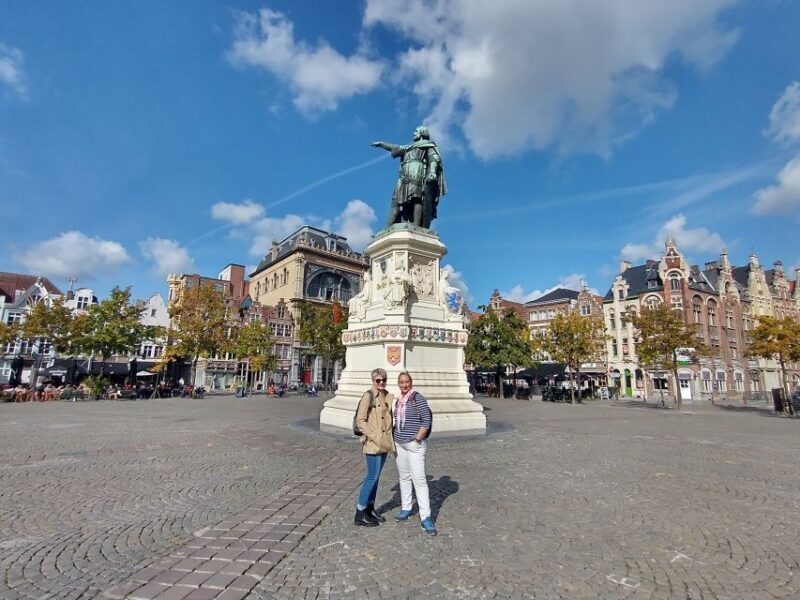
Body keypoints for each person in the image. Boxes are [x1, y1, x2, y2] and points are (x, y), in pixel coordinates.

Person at [372, 126, 447, 229]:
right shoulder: (408, 148)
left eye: (416, 131)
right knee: (396, 202)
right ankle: (387, 228)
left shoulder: (428, 145)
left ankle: (416, 226)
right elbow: (394, 147)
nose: (414, 133)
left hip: (417, 172)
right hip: (403, 177)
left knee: (416, 199)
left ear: (422, 133)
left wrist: (432, 172)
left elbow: (433, 159)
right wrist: (382, 144)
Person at [392, 371, 436, 535]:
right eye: (402, 382)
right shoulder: (398, 401)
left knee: (419, 480)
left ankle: (426, 517)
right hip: (399, 444)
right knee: (404, 477)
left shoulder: (418, 398)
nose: (404, 385)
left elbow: (426, 419)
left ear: (411, 382)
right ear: (399, 384)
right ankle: (406, 507)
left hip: (414, 445)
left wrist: (418, 438)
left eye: (407, 382)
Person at [354, 368, 395, 527]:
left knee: (376, 478)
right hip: (373, 443)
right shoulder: (368, 396)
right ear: (373, 381)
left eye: (384, 379)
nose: (382, 382)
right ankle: (360, 512)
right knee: (371, 477)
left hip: (384, 443)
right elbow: (360, 420)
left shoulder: (386, 395)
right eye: (378, 380)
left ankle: (370, 509)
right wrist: (374, 436)